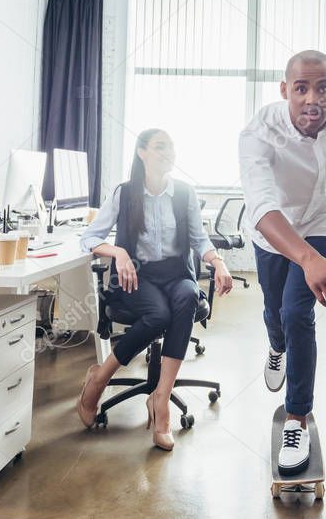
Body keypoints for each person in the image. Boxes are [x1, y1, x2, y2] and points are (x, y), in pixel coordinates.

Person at [239, 50, 326, 473]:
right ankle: (275, 348)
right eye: (301, 88)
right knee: (276, 314)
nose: (313, 98)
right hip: (273, 231)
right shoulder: (259, 133)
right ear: (284, 91)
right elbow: (260, 205)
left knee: (298, 314)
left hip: (322, 221)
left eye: (323, 87)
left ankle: (297, 417)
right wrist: (308, 259)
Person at [77, 128, 232, 450]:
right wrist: (118, 252)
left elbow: (199, 238)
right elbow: (89, 238)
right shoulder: (125, 193)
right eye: (161, 147)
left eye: (172, 147)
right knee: (159, 315)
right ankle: (99, 377)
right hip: (138, 277)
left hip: (176, 274)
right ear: (142, 152)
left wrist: (218, 262)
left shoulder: (185, 193)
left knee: (188, 295)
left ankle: (160, 400)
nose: (169, 152)